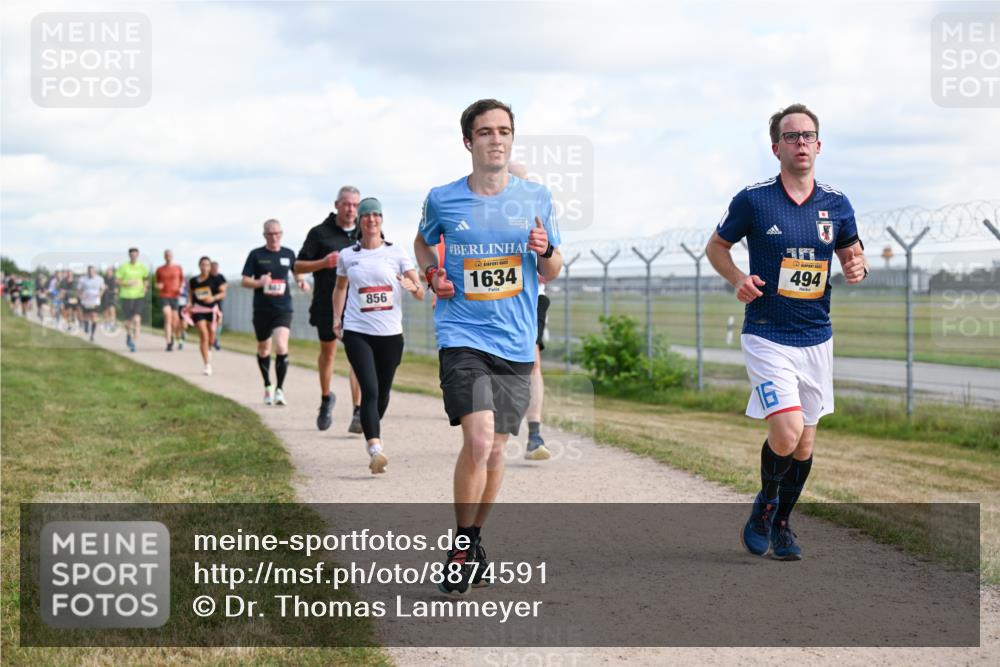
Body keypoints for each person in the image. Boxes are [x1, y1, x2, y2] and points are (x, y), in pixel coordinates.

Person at [705, 103, 868, 561]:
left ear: (819, 145)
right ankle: (764, 506)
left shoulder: (836, 203)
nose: (801, 143)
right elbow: (716, 246)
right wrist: (738, 278)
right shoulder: (754, 200)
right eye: (791, 136)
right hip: (767, 332)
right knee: (786, 433)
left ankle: (781, 522)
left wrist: (858, 266)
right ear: (776, 146)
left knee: (805, 443)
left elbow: (853, 254)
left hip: (817, 336)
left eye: (808, 136)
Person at [414, 99, 562, 595]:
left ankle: (473, 538)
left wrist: (546, 252)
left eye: (503, 131)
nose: (495, 139)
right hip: (461, 334)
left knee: (497, 449)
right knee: (478, 440)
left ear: (512, 139)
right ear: (468, 141)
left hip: (515, 340)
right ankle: (460, 547)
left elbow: (552, 270)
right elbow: (421, 243)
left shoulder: (536, 197)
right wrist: (433, 273)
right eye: (485, 132)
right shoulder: (443, 198)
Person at [332, 198, 424, 473]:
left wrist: (412, 286)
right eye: (366, 215)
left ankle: (371, 427)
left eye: (376, 215)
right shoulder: (348, 255)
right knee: (369, 390)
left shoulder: (397, 253)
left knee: (382, 394)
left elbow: (420, 291)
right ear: (359, 222)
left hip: (390, 334)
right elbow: (339, 289)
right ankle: (375, 448)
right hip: (357, 331)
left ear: (382, 220)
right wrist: (337, 318)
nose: (371, 219)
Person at [294, 186, 365, 432]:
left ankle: (358, 411)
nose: (351, 209)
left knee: (357, 358)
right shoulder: (319, 233)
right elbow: (298, 267)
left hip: (357, 307)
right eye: (346, 204)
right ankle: (326, 398)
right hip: (326, 304)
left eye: (355, 205)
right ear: (336, 205)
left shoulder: (365, 231)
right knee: (329, 354)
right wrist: (323, 262)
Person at [241, 219, 309, 405]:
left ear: (282, 234)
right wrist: (259, 282)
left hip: (283, 308)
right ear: (264, 235)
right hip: (262, 308)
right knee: (264, 348)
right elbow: (244, 281)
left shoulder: (288, 254)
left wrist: (302, 282)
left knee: (280, 345)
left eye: (277, 233)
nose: (274, 237)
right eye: (270, 234)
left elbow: (297, 274)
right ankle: (267, 386)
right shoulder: (256, 255)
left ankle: (280, 389)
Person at [187, 256, 227, 375]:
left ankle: (209, 348)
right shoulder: (193, 280)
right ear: (199, 266)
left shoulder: (215, 279)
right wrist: (189, 304)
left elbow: (223, 293)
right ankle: (207, 365)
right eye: (203, 264)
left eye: (207, 265)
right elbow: (190, 294)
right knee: (204, 335)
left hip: (212, 311)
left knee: (211, 337)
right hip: (199, 310)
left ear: (210, 267)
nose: (205, 267)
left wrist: (213, 298)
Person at [116, 248, 150, 352]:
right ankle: (129, 335)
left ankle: (133, 342)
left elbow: (146, 279)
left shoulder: (142, 267)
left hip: (139, 296)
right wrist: (127, 284)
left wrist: (145, 287)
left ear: (138, 255)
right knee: (127, 321)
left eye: (135, 254)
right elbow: (117, 280)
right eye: (132, 255)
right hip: (126, 296)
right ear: (129, 255)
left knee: (137, 319)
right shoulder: (123, 267)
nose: (133, 256)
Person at [155, 250, 185, 351]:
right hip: (164, 295)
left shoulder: (178, 268)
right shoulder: (159, 269)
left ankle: (177, 337)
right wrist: (158, 286)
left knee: (175, 322)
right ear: (164, 256)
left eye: (170, 255)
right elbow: (157, 282)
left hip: (175, 296)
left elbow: (182, 282)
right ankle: (169, 342)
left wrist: (180, 288)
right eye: (166, 255)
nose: (168, 257)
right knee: (167, 317)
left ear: (172, 256)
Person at [77, 266, 106, 342]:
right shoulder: (83, 279)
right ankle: (86, 325)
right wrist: (80, 296)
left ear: (95, 271)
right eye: (89, 272)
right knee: (86, 316)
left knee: (94, 316)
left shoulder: (100, 279)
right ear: (87, 272)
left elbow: (103, 288)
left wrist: (100, 294)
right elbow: (79, 289)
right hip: (86, 300)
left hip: (95, 300)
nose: (91, 273)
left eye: (92, 271)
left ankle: (92, 335)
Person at [209, 261, 227, 350]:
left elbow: (225, 286)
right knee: (210, 323)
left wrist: (223, 288)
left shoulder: (220, 277)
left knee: (219, 322)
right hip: (207, 303)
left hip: (218, 303)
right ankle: (210, 340)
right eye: (213, 268)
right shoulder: (207, 277)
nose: (215, 270)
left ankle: (216, 341)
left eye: (216, 268)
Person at [101, 266, 118, 333]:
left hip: (112, 296)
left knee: (112, 309)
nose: (108, 273)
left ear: (112, 272)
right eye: (107, 272)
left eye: (110, 272)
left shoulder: (114, 279)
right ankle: (107, 323)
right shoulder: (103, 279)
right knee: (106, 311)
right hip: (105, 296)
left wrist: (116, 294)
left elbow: (117, 288)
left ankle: (112, 324)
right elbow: (101, 287)